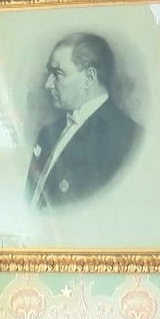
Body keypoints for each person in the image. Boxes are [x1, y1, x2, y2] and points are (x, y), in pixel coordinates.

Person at [25, 32, 142, 209]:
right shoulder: (48, 133)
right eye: (50, 73)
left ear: (89, 77)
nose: (48, 84)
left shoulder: (126, 136)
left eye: (58, 74)